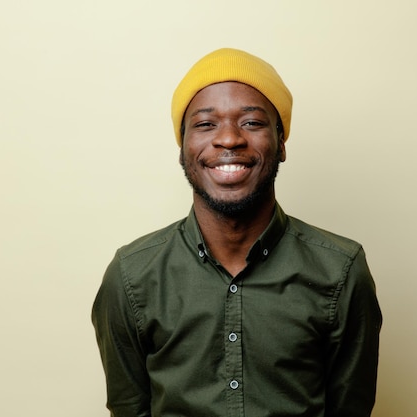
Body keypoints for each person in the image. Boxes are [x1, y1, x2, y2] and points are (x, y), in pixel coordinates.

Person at [92, 48, 382, 417]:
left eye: (251, 122)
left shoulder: (340, 271)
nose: (229, 139)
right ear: (183, 149)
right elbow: (128, 408)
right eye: (205, 124)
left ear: (281, 143)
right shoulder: (131, 276)